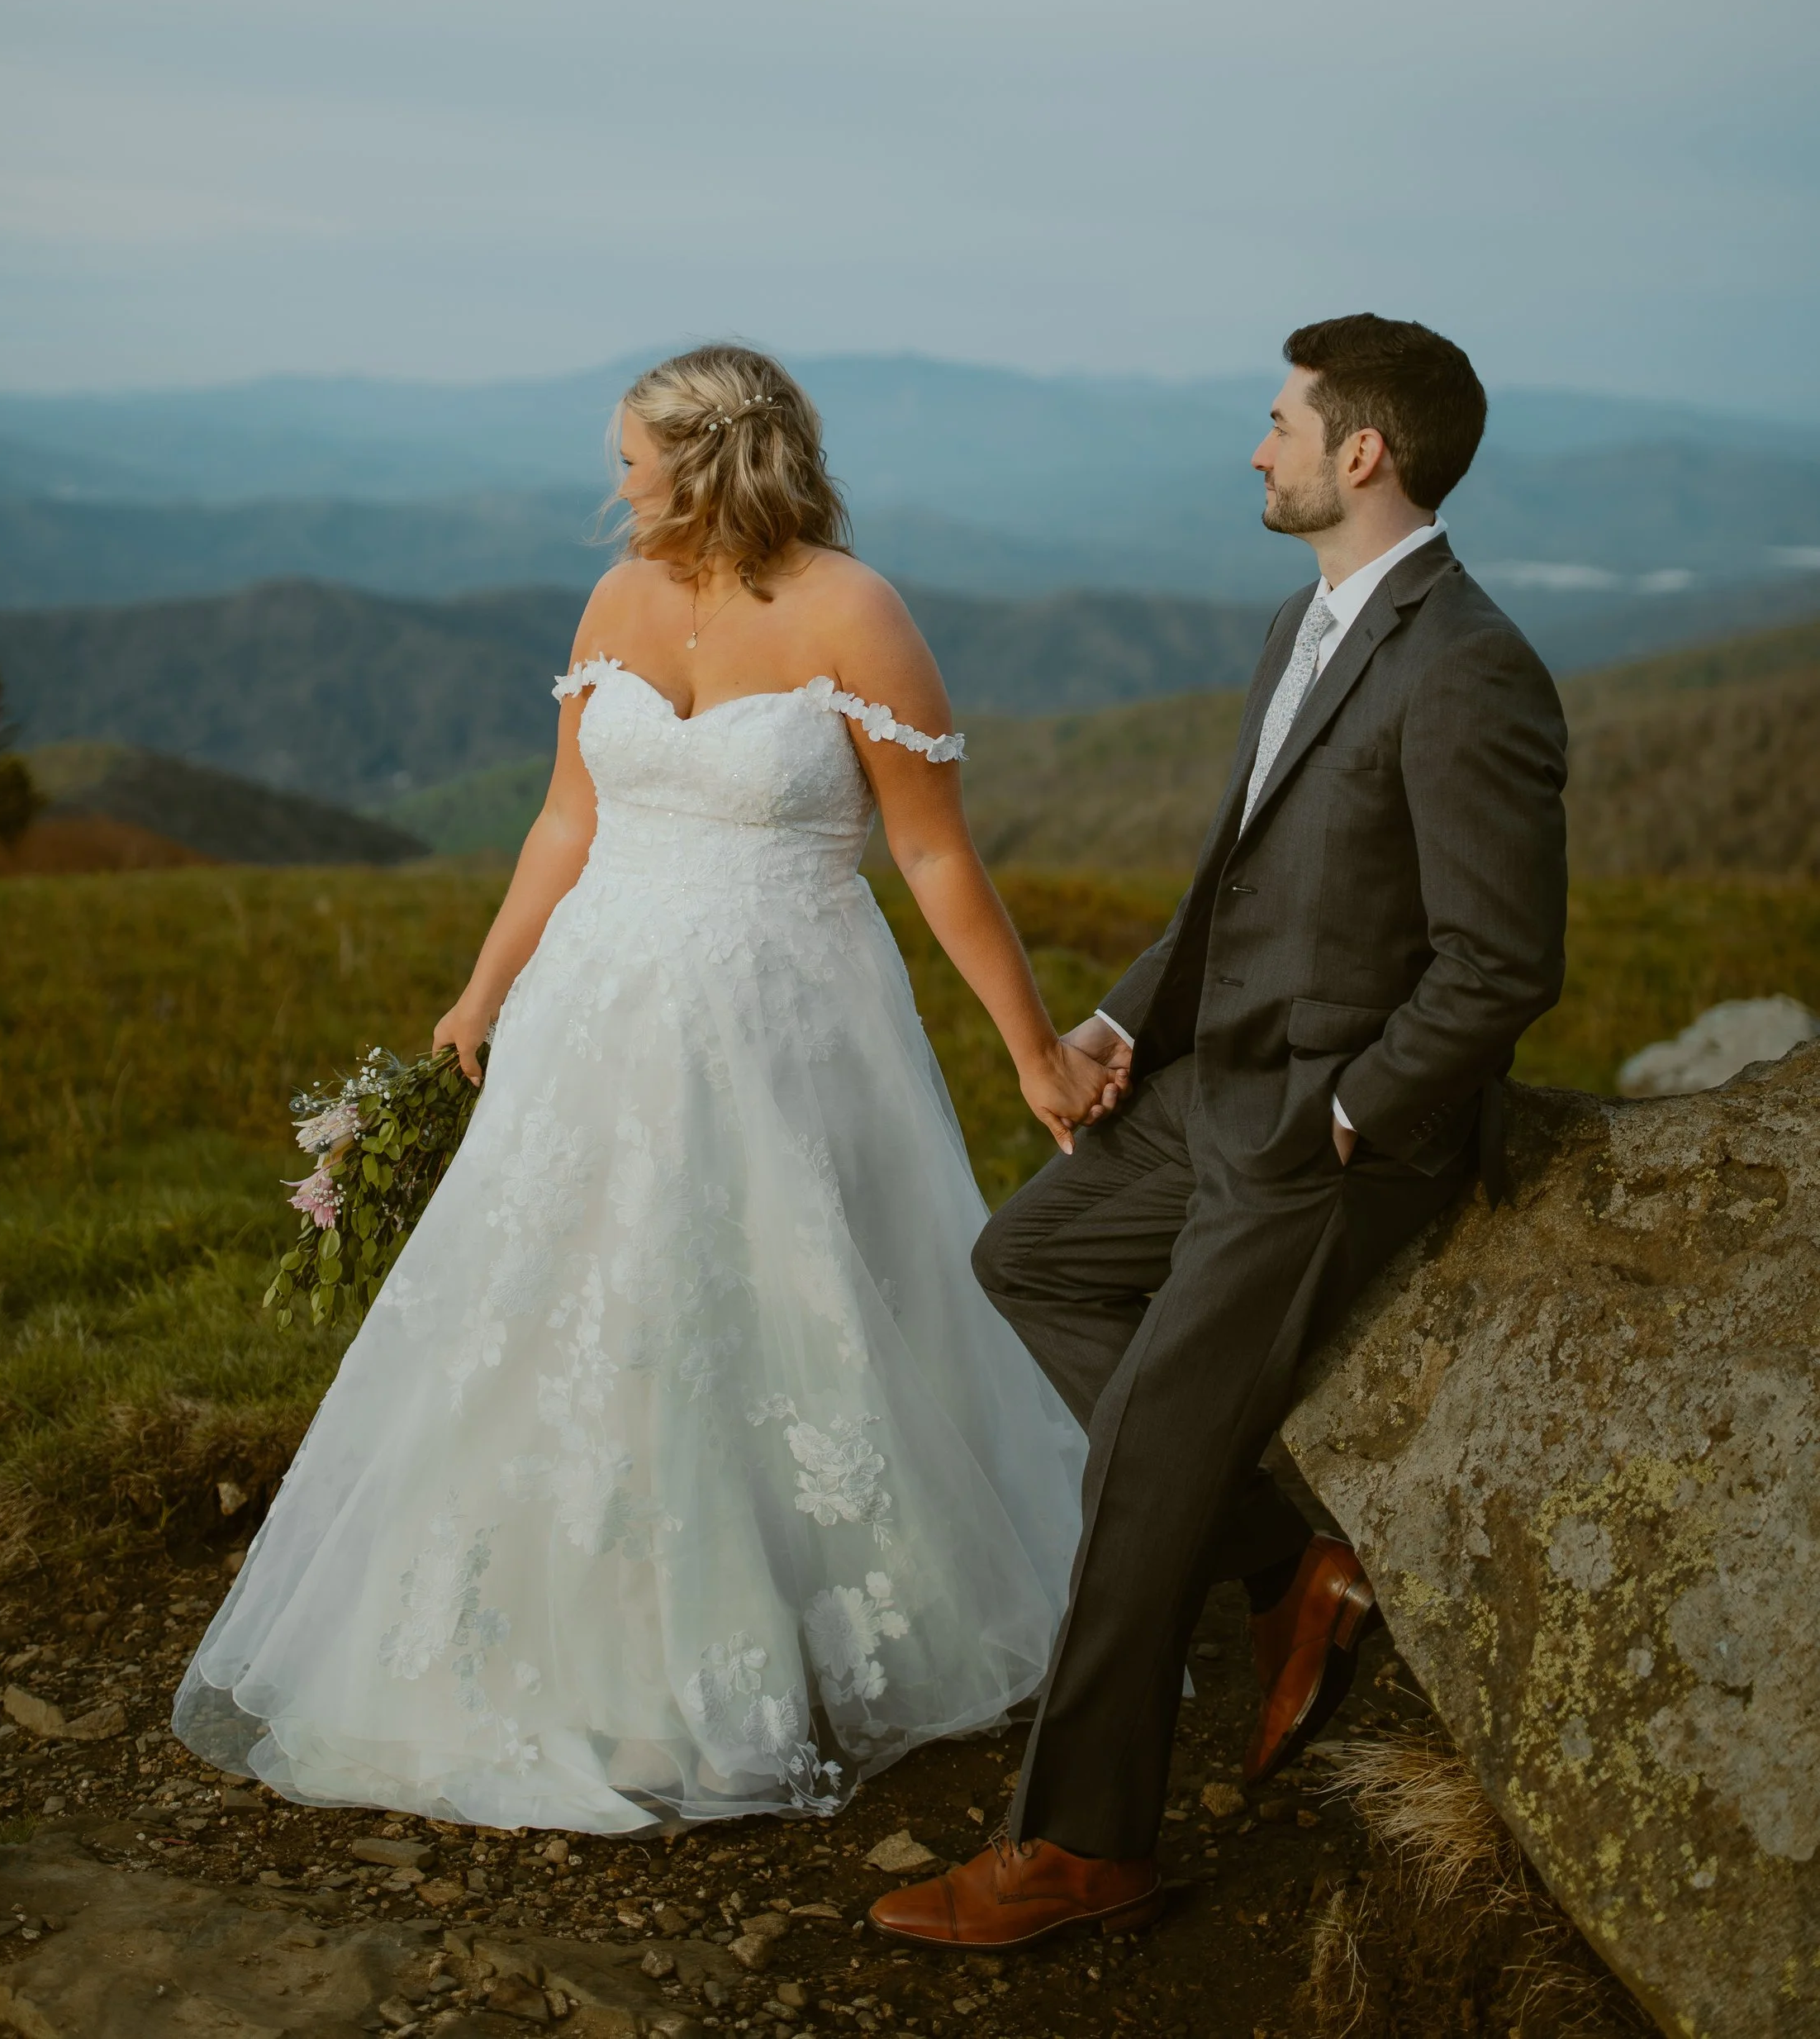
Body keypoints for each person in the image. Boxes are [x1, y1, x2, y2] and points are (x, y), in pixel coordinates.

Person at [174, 343, 1100, 1832]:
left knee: (779, 1317)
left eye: (630, 454)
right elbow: (564, 815)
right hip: (591, 1013)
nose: (614, 480)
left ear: (710, 454)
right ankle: (586, 1633)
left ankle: (782, 1637)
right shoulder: (615, 599)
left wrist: (1032, 1046)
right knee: (576, 1306)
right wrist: (483, 989)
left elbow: (932, 850)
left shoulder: (856, 611)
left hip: (785, 1021)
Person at [872, 312, 1568, 1952]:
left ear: (1360, 453)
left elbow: (1500, 964)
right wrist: (1122, 1018)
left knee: (1135, 1459)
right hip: (1207, 1089)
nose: (1255, 448)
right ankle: (1284, 1566)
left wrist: (1341, 1118)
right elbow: (1230, 885)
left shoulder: (1473, 672)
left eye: (1276, 421)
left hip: (1321, 1140)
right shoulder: (1299, 621)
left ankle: (1081, 1843)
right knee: (1022, 1256)